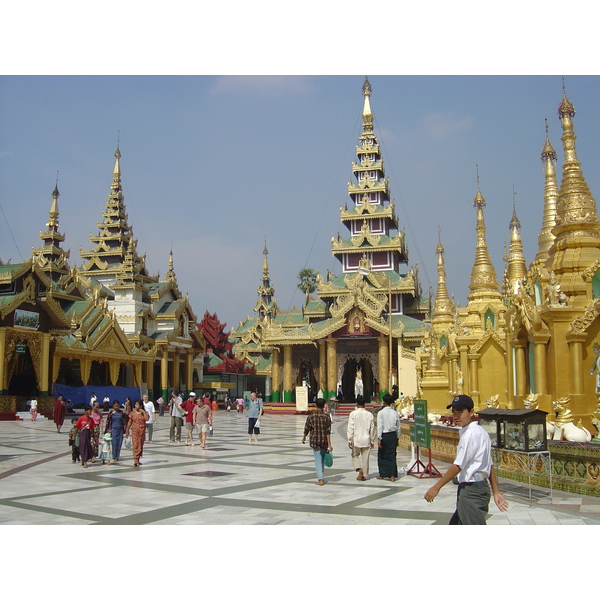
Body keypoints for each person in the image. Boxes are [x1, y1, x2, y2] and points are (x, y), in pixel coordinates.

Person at [424, 394, 509, 525]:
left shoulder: (471, 434)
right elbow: (488, 464)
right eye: (454, 412)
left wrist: (437, 487)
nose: (456, 415)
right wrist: (496, 492)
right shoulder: (480, 431)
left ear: (471, 412)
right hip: (474, 489)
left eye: (461, 411)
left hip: (472, 491)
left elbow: (458, 465)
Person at [302, 397, 333, 486]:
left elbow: (307, 428)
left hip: (315, 440)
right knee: (321, 459)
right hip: (324, 441)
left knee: (318, 459)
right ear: (324, 406)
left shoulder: (311, 416)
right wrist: (329, 444)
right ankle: (321, 476)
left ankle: (320, 478)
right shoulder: (326, 417)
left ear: (316, 406)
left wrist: (304, 437)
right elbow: (328, 431)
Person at [347, 395, 375, 481]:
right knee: (365, 458)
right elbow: (372, 428)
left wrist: (349, 439)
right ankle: (364, 475)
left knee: (354, 455)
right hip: (366, 439)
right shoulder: (369, 414)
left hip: (356, 439)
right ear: (364, 404)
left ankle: (359, 468)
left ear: (356, 403)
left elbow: (350, 427)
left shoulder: (353, 414)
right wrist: (372, 440)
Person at [376, 394, 400, 482]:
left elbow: (380, 426)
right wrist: (397, 436)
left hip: (385, 435)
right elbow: (398, 426)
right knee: (392, 454)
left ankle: (383, 473)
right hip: (393, 435)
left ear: (384, 402)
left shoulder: (381, 413)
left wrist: (379, 438)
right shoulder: (395, 412)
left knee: (382, 455)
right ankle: (392, 475)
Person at [125, 400, 149, 467]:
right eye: (135, 404)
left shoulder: (144, 413)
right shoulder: (132, 413)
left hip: (142, 431)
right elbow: (129, 422)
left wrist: (143, 412)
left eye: (137, 404)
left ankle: (138, 459)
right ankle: (135, 459)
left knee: (140, 445)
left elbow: (146, 419)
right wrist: (127, 430)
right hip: (135, 431)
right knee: (135, 445)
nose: (136, 406)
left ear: (141, 406)